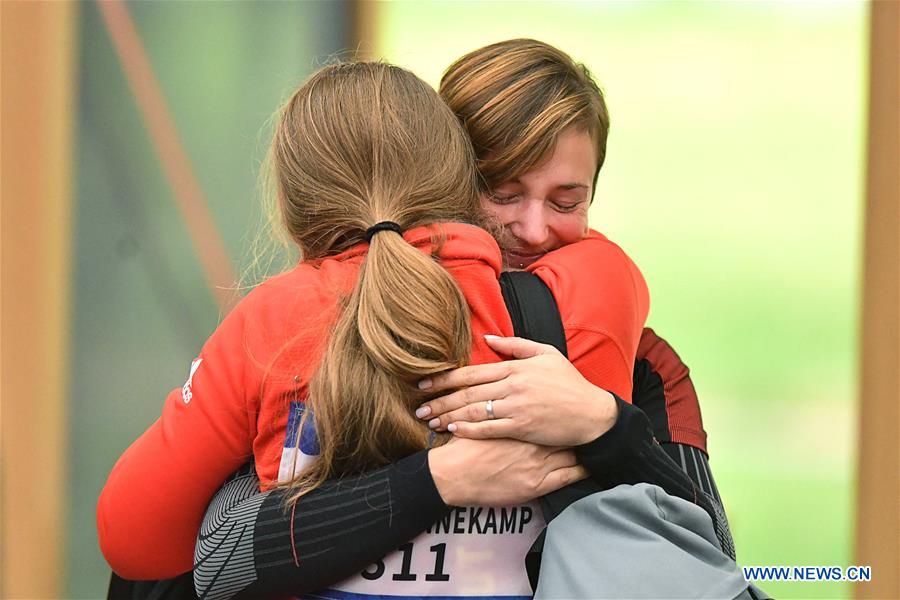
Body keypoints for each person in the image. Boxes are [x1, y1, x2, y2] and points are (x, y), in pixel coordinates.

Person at [97, 58, 657, 598]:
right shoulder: (592, 287)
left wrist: (246, 488)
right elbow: (673, 527)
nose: (533, 231)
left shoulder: (272, 317)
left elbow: (137, 541)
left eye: (567, 201)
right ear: (453, 175)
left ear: (293, 205)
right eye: (504, 194)